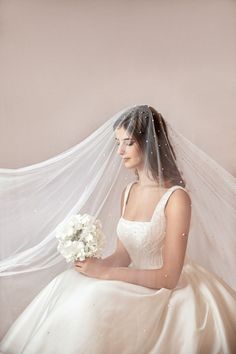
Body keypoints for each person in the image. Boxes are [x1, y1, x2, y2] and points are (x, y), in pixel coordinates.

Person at [0, 105, 236, 354]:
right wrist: (93, 264)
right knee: (68, 283)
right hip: (136, 278)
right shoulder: (129, 192)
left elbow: (169, 277)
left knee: (93, 301)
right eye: (117, 143)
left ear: (148, 144)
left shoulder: (176, 198)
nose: (120, 151)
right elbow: (124, 256)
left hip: (164, 290)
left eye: (128, 143)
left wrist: (103, 274)